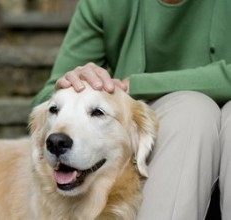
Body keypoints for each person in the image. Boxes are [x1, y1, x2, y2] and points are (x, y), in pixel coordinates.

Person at [31, 0, 231, 219]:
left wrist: (134, 84)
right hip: (170, 125)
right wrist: (70, 82)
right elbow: (45, 99)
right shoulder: (104, 4)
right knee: (193, 112)